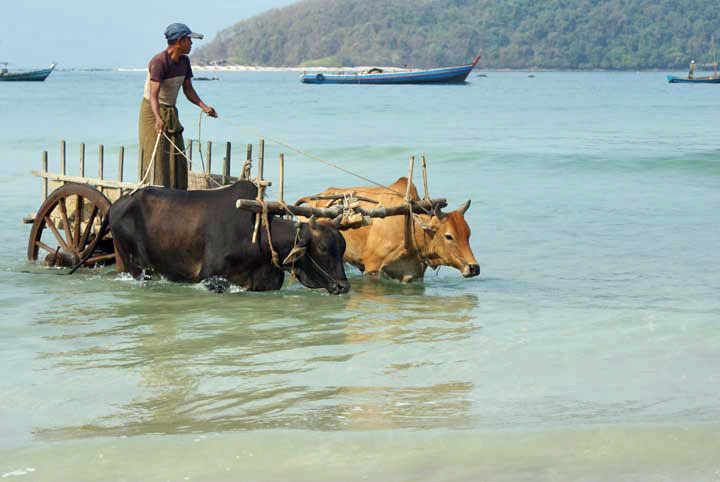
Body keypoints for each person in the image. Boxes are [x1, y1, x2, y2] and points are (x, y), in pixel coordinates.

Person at [139, 22, 218, 189]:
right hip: (152, 111)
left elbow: (188, 89)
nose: (191, 43)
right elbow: (153, 95)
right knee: (157, 156)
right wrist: (158, 118)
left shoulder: (184, 61)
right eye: (189, 39)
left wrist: (204, 107)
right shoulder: (159, 62)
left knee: (177, 156)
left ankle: (177, 193)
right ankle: (155, 193)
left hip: (170, 111)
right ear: (179, 41)